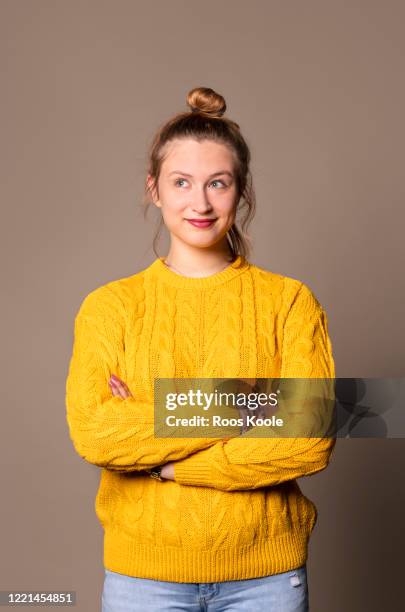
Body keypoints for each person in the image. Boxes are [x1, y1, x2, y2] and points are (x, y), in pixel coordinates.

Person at [65, 86, 336, 611]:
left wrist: (167, 460)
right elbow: (95, 432)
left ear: (242, 191)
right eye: (182, 182)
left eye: (218, 183)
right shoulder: (109, 306)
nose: (201, 202)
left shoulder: (290, 301)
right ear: (155, 189)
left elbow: (311, 438)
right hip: (143, 578)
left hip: (268, 578)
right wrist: (255, 405)